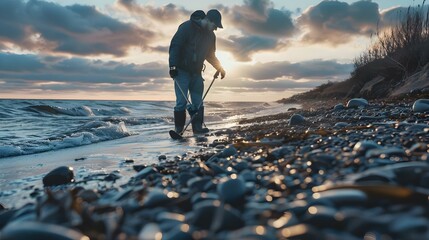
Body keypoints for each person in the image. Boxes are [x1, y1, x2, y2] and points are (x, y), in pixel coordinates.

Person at [169, 9, 226, 134]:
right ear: (208, 20)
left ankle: (198, 129)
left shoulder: (211, 36)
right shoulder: (186, 27)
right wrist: (172, 66)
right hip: (181, 71)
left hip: (197, 73)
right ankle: (178, 130)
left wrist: (219, 67)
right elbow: (175, 45)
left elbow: (210, 55)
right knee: (181, 102)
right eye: (215, 26)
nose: (215, 29)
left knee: (198, 102)